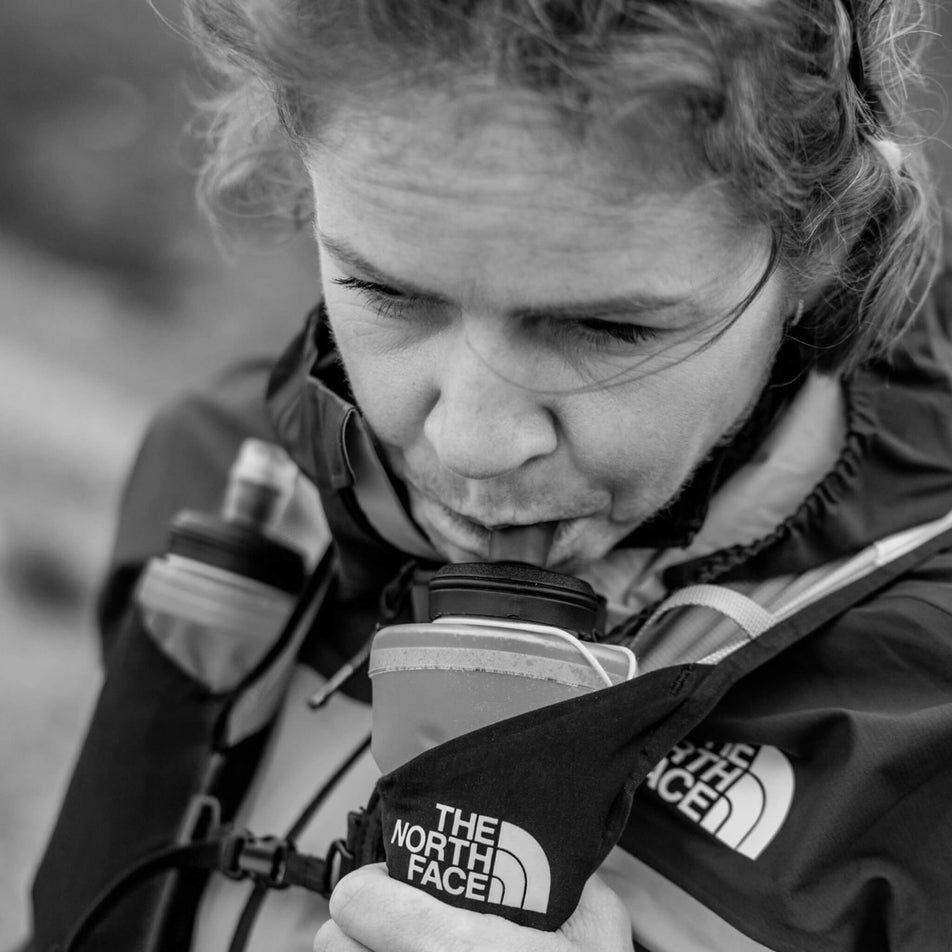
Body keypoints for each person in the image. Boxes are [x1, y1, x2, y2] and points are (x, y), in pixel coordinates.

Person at [25, 1, 952, 950]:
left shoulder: (924, 712)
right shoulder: (219, 457)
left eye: (609, 329)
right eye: (386, 291)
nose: (470, 441)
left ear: (827, 252)